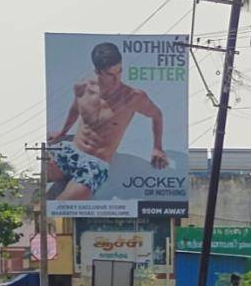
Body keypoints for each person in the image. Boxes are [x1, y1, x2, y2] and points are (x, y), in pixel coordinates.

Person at [47, 42, 169, 201]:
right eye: (111, 75)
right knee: (38, 178)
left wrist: (157, 147)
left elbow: (157, 114)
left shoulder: (133, 97)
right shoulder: (82, 88)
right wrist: (62, 132)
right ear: (98, 71)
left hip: (94, 165)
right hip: (71, 150)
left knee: (61, 204)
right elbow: (75, 110)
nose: (117, 78)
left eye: (120, 71)